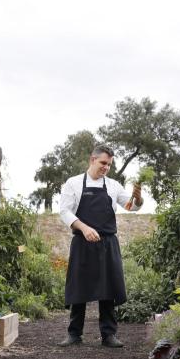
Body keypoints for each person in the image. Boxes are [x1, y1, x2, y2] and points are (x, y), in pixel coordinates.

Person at [56, 144, 143, 348]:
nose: (106, 167)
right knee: (78, 287)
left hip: (107, 242)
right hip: (82, 242)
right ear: (92, 159)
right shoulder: (73, 183)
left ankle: (109, 335)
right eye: (103, 163)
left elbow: (130, 206)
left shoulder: (113, 185)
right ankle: (74, 334)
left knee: (108, 289)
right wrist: (84, 228)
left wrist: (138, 197)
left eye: (109, 165)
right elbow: (65, 211)